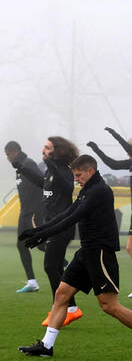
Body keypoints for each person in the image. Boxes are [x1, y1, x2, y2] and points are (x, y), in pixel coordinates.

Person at [17, 154, 132, 358]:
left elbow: (73, 218)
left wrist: (43, 234)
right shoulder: (88, 190)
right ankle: (46, 346)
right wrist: (39, 231)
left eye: (78, 175)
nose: (76, 179)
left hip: (100, 253)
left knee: (108, 305)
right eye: (74, 175)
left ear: (90, 171)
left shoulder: (99, 191)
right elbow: (68, 213)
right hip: (86, 252)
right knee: (61, 294)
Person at [16, 136, 83, 326]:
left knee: (50, 267)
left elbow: (67, 185)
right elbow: (42, 182)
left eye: (47, 148)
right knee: (53, 267)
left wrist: (51, 163)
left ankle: (62, 309)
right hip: (52, 226)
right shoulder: (50, 172)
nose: (43, 150)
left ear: (57, 151)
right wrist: (24, 170)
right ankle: (70, 308)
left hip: (61, 227)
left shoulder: (64, 170)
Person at [88, 128, 132, 302]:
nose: (127, 151)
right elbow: (112, 164)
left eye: (130, 147)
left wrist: (116, 136)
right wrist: (96, 150)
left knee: (130, 247)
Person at [6, 141, 45, 293]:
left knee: (41, 245)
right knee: (21, 246)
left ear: (15, 151)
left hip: (35, 212)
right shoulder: (18, 167)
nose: (7, 158)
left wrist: (38, 206)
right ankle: (32, 282)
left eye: (8, 154)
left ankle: (68, 266)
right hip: (24, 214)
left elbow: (42, 182)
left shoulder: (28, 164)